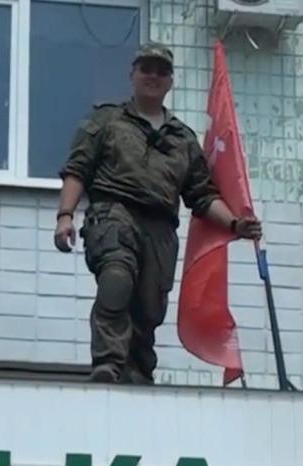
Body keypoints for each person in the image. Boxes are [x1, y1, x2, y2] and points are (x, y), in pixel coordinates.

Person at [53, 42, 262, 385]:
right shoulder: (105, 121)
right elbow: (77, 170)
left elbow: (203, 195)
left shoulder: (183, 139)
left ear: (170, 81)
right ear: (132, 75)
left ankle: (137, 372)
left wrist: (236, 224)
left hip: (160, 228)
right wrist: (65, 216)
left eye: (161, 71)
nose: (153, 76)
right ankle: (108, 363)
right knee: (116, 280)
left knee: (149, 310)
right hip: (113, 213)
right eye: (146, 69)